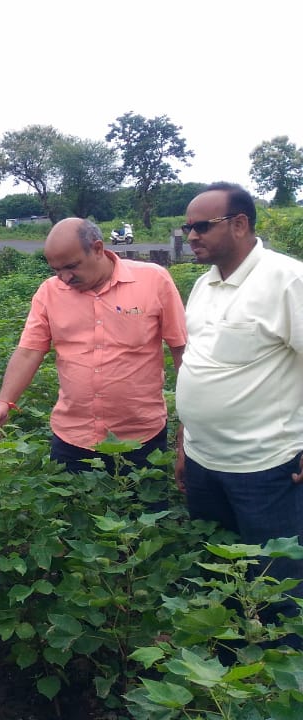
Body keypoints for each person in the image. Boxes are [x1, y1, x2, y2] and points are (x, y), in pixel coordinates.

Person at [176, 182, 303, 618]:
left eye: (201, 226)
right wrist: (184, 441)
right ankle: (227, 654)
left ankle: (279, 658)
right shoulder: (204, 285)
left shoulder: (287, 280)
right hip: (203, 464)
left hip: (265, 468)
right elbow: (199, 367)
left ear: (240, 224)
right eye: (187, 228)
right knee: (220, 579)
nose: (192, 236)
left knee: (277, 587)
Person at [0, 218, 187, 473]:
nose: (65, 277)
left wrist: (189, 419)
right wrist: (5, 401)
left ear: (98, 248)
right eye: (56, 270)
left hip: (141, 437)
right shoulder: (49, 292)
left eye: (72, 266)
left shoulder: (153, 280)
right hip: (72, 438)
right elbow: (28, 351)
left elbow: (181, 350)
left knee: (143, 498)